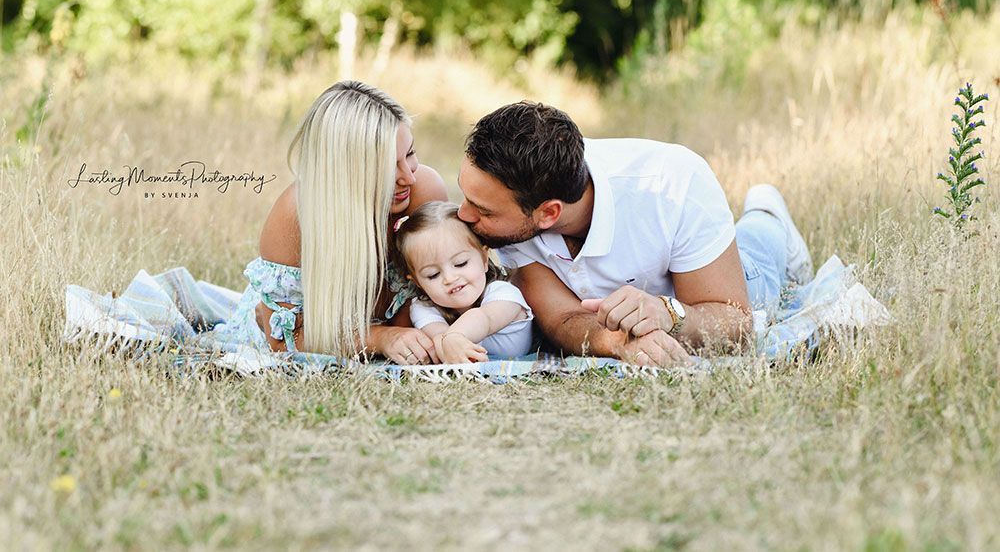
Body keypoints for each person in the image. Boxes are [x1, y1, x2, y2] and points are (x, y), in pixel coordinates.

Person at [456, 100, 813, 368]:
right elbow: (560, 318)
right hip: (624, 308)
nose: (463, 214)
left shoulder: (673, 185)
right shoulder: (519, 209)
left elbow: (736, 322)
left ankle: (768, 212)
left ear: (549, 212)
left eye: (483, 210)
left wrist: (668, 313)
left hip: (700, 290)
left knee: (758, 251)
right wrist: (617, 341)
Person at [215, 80, 449, 365]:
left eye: (410, 154)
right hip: (306, 337)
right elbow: (284, 340)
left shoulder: (422, 192)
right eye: (387, 166)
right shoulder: (296, 215)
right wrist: (380, 338)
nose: (408, 177)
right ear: (344, 171)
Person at [393, 201, 534, 364]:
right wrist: (446, 342)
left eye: (460, 263)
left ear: (484, 258)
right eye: (433, 275)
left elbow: (484, 318)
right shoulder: (423, 307)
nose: (450, 278)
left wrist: (453, 337)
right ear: (417, 282)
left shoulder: (504, 293)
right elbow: (440, 339)